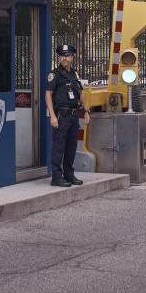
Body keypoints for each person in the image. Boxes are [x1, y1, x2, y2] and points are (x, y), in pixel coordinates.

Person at [45, 43, 90, 187]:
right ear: (59, 57)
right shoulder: (55, 74)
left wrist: (86, 111)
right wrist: (52, 116)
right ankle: (56, 177)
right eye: (62, 56)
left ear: (72, 57)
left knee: (71, 147)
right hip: (61, 116)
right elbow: (48, 95)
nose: (65, 58)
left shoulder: (74, 74)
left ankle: (69, 175)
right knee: (59, 147)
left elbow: (81, 93)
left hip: (73, 116)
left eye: (67, 56)